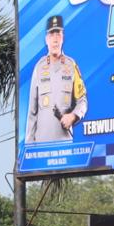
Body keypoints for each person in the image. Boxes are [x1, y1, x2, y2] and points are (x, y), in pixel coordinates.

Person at [26, 14, 88, 142]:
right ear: (46, 39)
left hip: (64, 145)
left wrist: (73, 116)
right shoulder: (39, 68)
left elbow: (82, 101)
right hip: (41, 146)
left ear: (63, 38)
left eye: (58, 34)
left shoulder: (71, 66)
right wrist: (29, 146)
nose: (55, 39)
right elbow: (32, 112)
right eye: (52, 34)